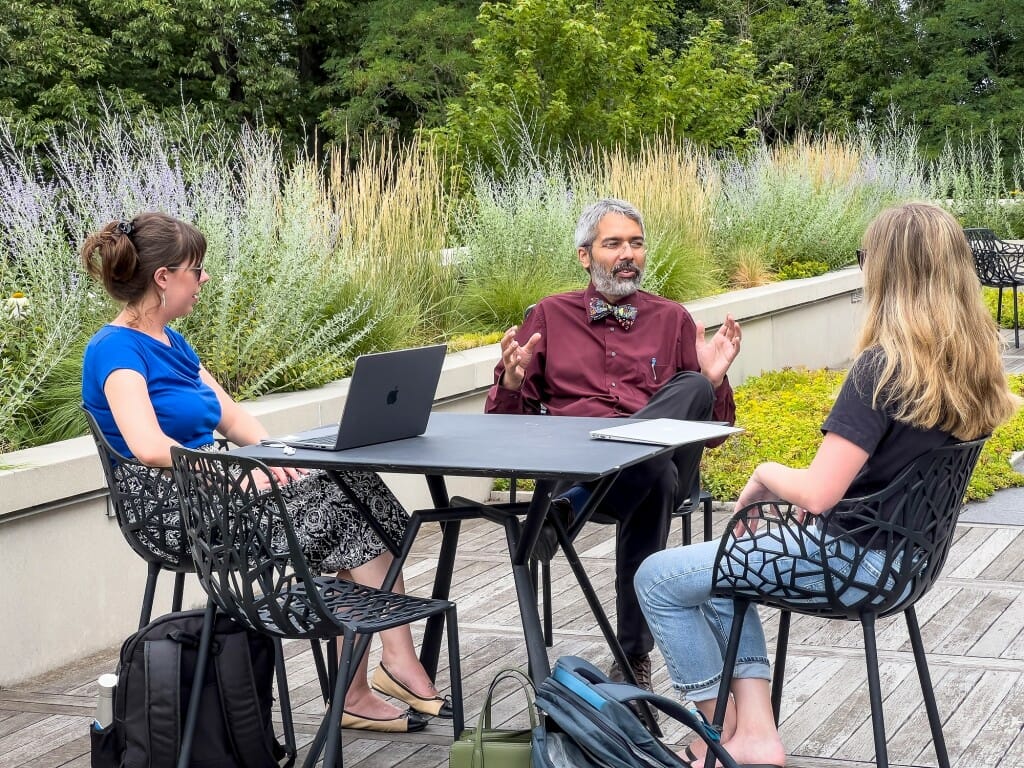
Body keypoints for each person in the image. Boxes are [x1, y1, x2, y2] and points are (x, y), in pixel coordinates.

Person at [634, 202, 1018, 768]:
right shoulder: (976, 366)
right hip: (906, 565)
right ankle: (753, 733)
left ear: (887, 271)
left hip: (847, 563)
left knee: (659, 577)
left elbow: (817, 493)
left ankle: (716, 735)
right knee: (721, 569)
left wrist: (764, 473)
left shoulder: (882, 369)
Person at [81, 212, 451, 733]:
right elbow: (148, 447)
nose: (204, 278)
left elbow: (233, 418)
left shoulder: (174, 344)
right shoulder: (115, 350)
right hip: (176, 507)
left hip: (215, 486)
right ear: (164, 278)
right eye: (196, 268)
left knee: (350, 483)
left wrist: (283, 456)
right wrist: (240, 475)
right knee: (344, 510)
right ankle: (378, 674)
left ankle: (378, 672)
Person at [485, 198, 741, 691]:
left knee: (689, 392)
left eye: (636, 243)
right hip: (579, 465)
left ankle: (563, 516)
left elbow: (712, 436)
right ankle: (633, 661)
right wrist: (513, 380)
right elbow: (502, 427)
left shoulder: (673, 321)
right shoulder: (548, 316)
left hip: (624, 474)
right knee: (652, 473)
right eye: (614, 243)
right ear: (585, 255)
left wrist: (713, 380)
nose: (628, 254)